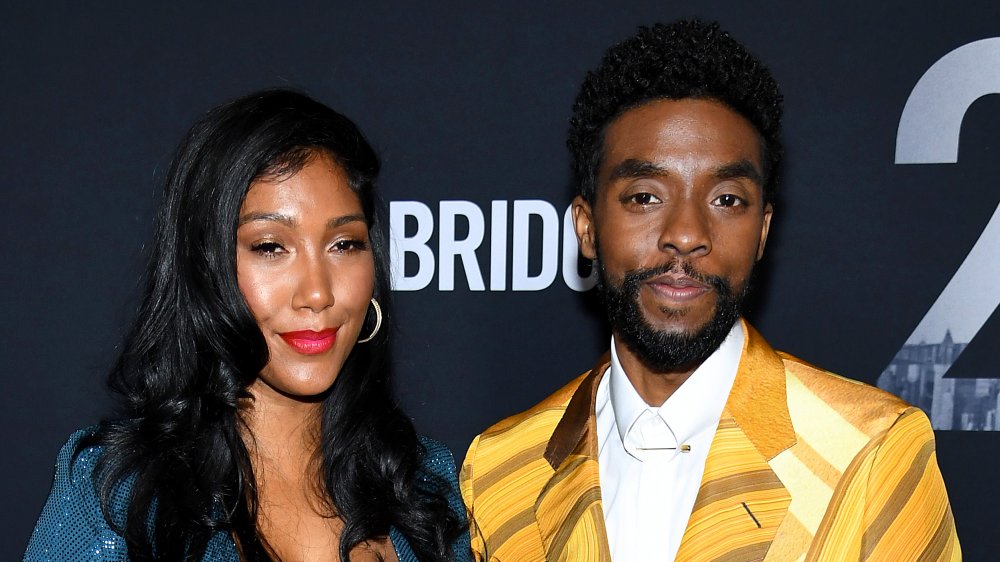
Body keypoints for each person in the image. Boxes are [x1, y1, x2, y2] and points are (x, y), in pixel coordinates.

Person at [460, 20, 960, 562]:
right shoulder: (500, 471)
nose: (687, 234)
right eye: (645, 196)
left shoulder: (870, 452)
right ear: (586, 226)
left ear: (763, 230)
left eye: (727, 200)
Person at [26, 89, 470, 562]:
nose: (317, 293)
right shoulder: (120, 498)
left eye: (344, 244)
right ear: (206, 267)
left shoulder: (426, 486)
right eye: (270, 247)